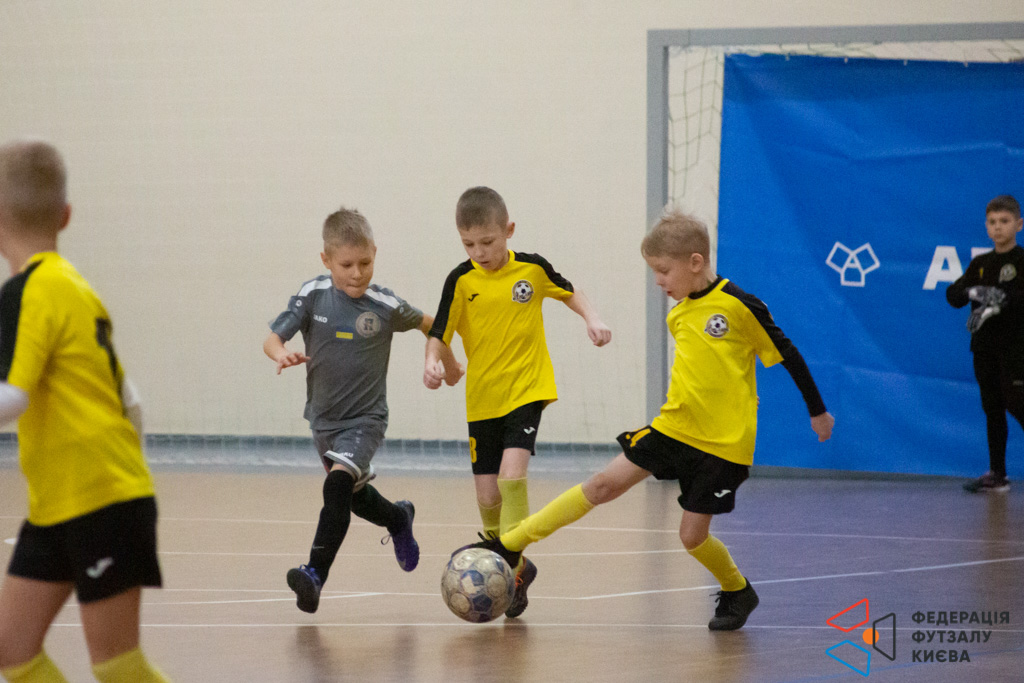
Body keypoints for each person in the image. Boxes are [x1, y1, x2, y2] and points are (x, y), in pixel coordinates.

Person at [464, 209, 834, 631]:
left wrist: (817, 410)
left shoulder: (740, 306)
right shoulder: (678, 313)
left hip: (723, 445)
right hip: (673, 428)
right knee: (602, 485)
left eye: (663, 270)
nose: (658, 281)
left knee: (692, 538)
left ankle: (738, 590)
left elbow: (788, 354)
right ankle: (510, 544)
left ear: (695, 262)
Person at [0, 140, 169, 682]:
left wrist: (116, 490)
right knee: (12, 650)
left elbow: (12, 396)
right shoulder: (75, 287)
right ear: (66, 215)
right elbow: (130, 400)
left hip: (98, 500)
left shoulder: (28, 290)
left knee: (118, 665)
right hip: (60, 504)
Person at [424, 186, 612, 618]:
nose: (479, 252)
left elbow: (570, 291)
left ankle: (508, 563)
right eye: (469, 244)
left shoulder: (532, 269)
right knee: (487, 495)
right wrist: (432, 362)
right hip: (482, 398)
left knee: (512, 476)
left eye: (487, 242)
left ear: (508, 230)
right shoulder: (460, 280)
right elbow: (439, 332)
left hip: (527, 389)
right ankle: (519, 571)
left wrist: (593, 318)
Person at [265, 206, 460, 613]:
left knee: (336, 486)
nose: (357, 274)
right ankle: (398, 518)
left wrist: (448, 363)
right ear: (326, 259)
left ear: (375, 253)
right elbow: (272, 339)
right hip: (323, 420)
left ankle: (314, 574)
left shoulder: (385, 304)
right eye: (346, 265)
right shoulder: (312, 295)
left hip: (366, 420)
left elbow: (434, 323)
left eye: (365, 263)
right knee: (352, 497)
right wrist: (280, 353)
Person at [946, 194, 1024, 493]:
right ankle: (997, 474)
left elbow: (1018, 299)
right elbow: (953, 295)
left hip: (1015, 348)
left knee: (1017, 403)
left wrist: (998, 300)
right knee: (992, 408)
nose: (998, 227)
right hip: (983, 348)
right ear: (986, 227)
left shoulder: (1021, 261)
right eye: (992, 222)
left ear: (1018, 224)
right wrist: (972, 292)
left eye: (1004, 221)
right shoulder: (980, 263)